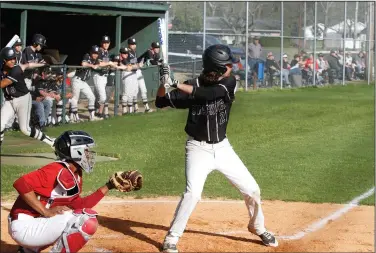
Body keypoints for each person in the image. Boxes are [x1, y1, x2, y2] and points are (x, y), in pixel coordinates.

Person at [155, 44, 278, 253]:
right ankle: (172, 238)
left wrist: (175, 83)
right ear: (217, 68)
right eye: (228, 65)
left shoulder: (229, 83)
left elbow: (206, 95)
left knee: (252, 190)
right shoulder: (191, 84)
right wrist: (163, 83)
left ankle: (258, 227)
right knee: (192, 194)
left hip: (223, 149)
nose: (233, 67)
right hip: (197, 149)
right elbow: (160, 101)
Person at [7, 130, 128, 253]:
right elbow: (21, 184)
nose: (90, 154)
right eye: (87, 150)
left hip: (34, 224)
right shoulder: (55, 169)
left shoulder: (75, 174)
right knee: (84, 220)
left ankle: (28, 250)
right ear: (77, 151)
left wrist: (108, 186)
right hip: (24, 226)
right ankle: (31, 246)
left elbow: (78, 205)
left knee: (76, 214)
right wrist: (46, 211)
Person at [0, 47, 55, 147]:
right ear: (4, 60)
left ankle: (51, 142)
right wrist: (40, 64)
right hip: (9, 101)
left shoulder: (15, 70)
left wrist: (43, 64)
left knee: (25, 129)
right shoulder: (2, 69)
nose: (13, 61)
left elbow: (2, 84)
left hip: (23, 100)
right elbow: (27, 65)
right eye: (10, 59)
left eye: (14, 58)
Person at [70, 45, 102, 122]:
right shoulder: (87, 56)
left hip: (83, 82)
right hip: (77, 80)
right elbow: (83, 63)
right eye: (94, 53)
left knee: (92, 97)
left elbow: (99, 63)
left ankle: (92, 117)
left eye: (97, 53)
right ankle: (74, 117)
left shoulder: (95, 59)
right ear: (91, 52)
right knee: (75, 99)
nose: (95, 55)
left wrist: (97, 64)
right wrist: (92, 65)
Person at [92, 36, 117, 119]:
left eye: (107, 42)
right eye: (104, 42)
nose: (106, 44)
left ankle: (98, 113)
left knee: (100, 97)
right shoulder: (99, 51)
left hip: (104, 76)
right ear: (101, 43)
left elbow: (106, 65)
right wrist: (109, 63)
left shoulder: (106, 52)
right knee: (102, 97)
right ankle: (97, 112)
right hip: (98, 75)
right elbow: (100, 64)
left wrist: (111, 66)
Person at [127, 38, 153, 113]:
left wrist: (144, 59)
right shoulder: (127, 52)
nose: (134, 45)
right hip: (131, 73)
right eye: (132, 44)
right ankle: (135, 108)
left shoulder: (134, 52)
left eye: (134, 44)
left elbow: (138, 61)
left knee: (143, 89)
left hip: (138, 71)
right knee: (134, 91)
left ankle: (146, 108)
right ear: (128, 45)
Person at [117, 47, 134, 115]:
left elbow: (131, 66)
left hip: (128, 75)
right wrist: (129, 66)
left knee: (129, 92)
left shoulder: (126, 59)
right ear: (120, 54)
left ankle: (129, 110)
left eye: (126, 53)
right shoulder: (121, 59)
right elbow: (129, 67)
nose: (126, 55)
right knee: (125, 92)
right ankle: (124, 110)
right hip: (123, 75)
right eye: (124, 53)